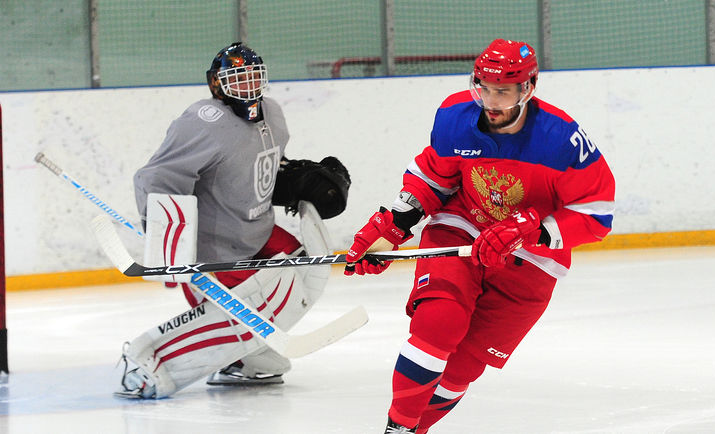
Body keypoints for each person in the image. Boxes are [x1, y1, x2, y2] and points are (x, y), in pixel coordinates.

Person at [344, 39, 615, 433]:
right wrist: (394, 225)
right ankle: (396, 429)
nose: (490, 100)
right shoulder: (455, 117)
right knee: (438, 323)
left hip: (531, 257)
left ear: (527, 88)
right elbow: (434, 177)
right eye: (483, 87)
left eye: (502, 91)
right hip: (462, 227)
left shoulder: (562, 139)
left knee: (462, 370)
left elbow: (596, 213)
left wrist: (532, 230)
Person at [115, 42, 351, 399]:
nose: (248, 86)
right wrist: (166, 240)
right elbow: (158, 177)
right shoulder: (203, 122)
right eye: (237, 79)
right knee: (257, 304)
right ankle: (154, 363)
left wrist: (291, 179)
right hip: (216, 249)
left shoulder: (273, 112)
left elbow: (257, 166)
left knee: (304, 273)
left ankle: (247, 357)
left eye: (254, 77)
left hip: (258, 229)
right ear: (216, 84)